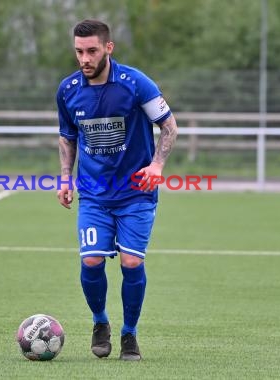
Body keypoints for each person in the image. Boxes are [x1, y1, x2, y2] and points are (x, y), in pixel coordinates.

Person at [56, 19, 178, 361]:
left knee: (131, 262)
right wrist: (66, 177)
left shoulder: (135, 84)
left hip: (136, 192)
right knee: (92, 260)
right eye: (79, 51)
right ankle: (100, 323)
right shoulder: (67, 90)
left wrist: (157, 166)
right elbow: (67, 136)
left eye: (92, 50)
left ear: (109, 48)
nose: (85, 58)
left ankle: (129, 335)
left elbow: (169, 126)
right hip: (94, 194)